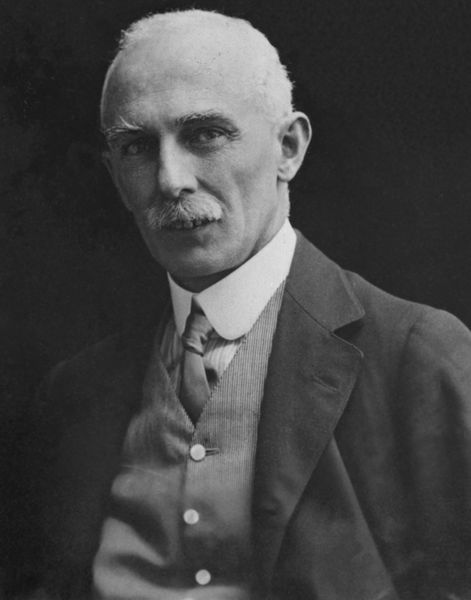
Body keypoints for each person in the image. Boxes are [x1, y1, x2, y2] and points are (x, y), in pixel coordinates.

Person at [17, 8, 471, 600]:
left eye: (205, 134)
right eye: (136, 147)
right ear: (113, 173)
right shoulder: (75, 394)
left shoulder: (422, 360)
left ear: (288, 147)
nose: (171, 179)